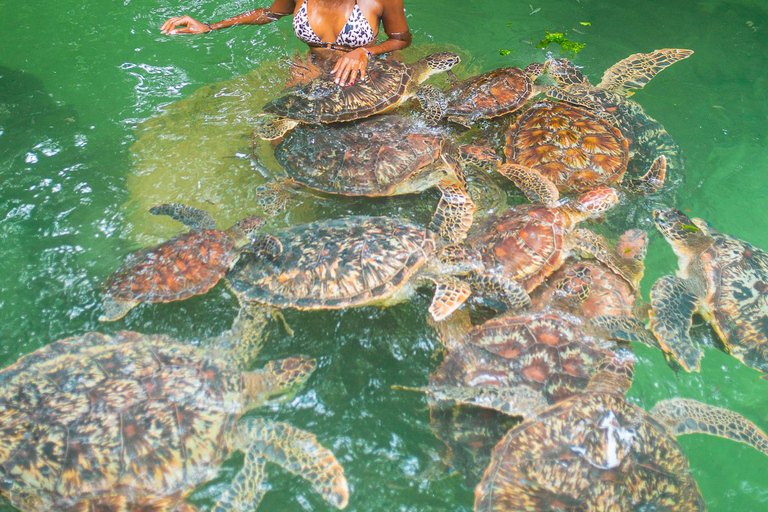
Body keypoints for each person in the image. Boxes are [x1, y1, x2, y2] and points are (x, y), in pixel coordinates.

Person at [160, 0, 411, 86]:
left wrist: (364, 51)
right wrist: (210, 26)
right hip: (311, 66)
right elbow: (270, 14)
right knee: (282, 128)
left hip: (367, 67)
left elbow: (401, 39)